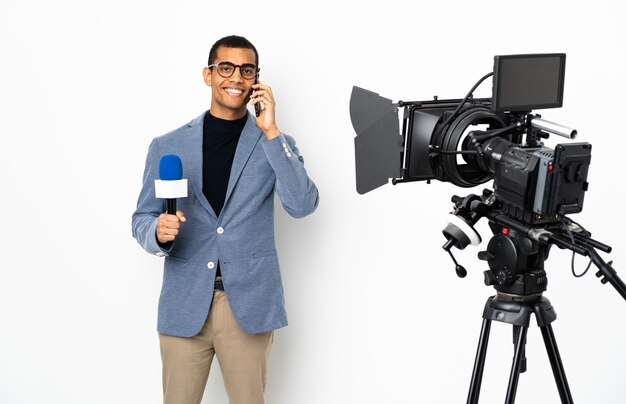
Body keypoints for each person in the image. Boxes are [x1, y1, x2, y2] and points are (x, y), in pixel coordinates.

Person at [131, 35, 319, 404]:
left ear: (256, 80)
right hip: (184, 304)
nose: (236, 77)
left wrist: (271, 131)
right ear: (209, 75)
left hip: (248, 303)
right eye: (226, 68)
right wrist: (157, 231)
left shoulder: (274, 142)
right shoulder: (167, 146)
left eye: (246, 70)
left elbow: (302, 205)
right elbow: (142, 217)